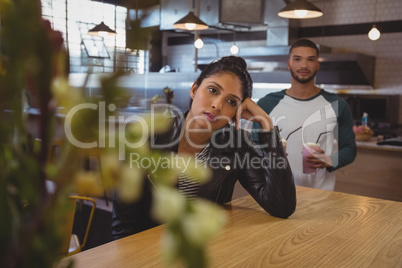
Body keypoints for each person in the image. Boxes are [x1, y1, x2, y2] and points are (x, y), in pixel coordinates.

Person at [112, 56, 296, 240]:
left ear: (236, 112)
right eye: (213, 90)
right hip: (151, 252)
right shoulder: (145, 138)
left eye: (231, 102)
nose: (217, 105)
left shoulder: (237, 143)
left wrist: (267, 127)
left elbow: (282, 207)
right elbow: (123, 226)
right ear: (194, 89)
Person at [255, 39, 356, 191]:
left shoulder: (337, 105)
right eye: (297, 59)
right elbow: (253, 146)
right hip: (276, 192)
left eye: (311, 59)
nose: (304, 65)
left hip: (321, 194)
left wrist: (330, 160)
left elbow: (349, 148)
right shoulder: (267, 104)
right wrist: (267, 154)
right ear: (289, 64)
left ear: (317, 65)